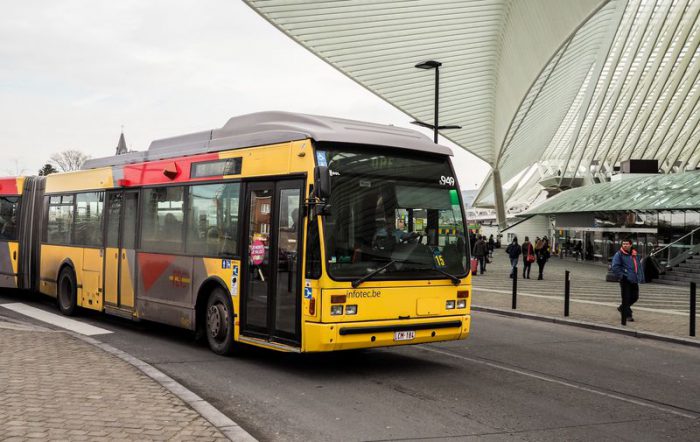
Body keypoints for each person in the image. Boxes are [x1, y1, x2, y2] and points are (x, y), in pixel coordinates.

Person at [611, 238, 644, 322]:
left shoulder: (634, 254)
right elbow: (615, 267)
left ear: (630, 245)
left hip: (634, 279)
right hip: (625, 280)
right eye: (623, 244)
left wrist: (641, 277)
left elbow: (638, 267)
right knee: (626, 297)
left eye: (627, 244)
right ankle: (628, 315)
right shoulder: (619, 254)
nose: (625, 245)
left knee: (635, 297)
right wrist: (622, 276)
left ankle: (622, 308)